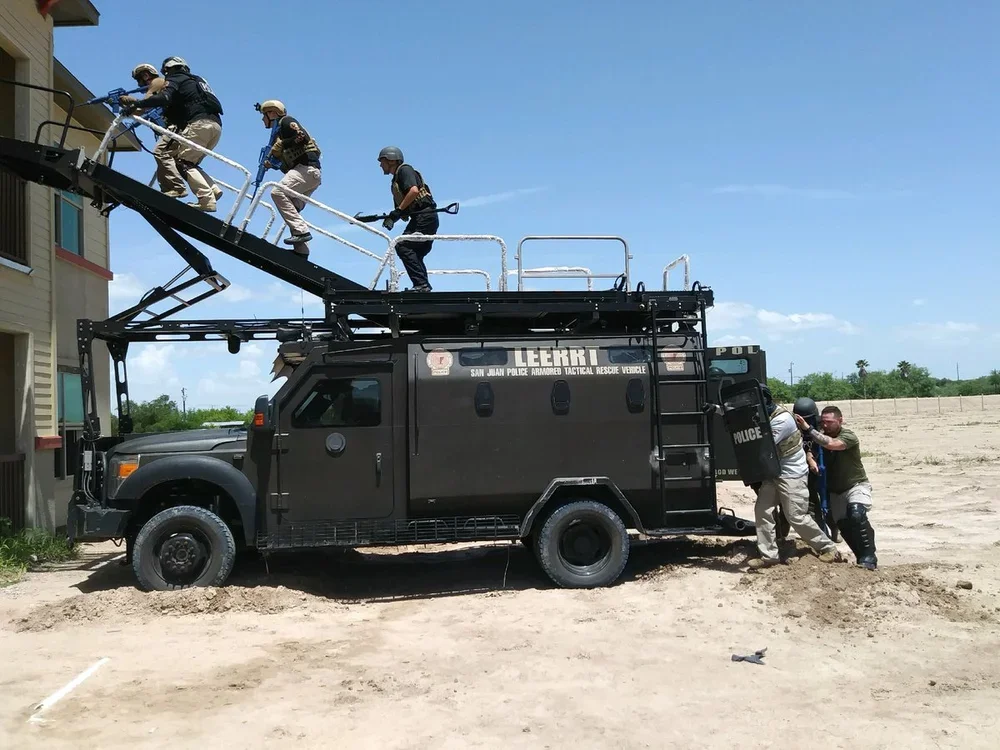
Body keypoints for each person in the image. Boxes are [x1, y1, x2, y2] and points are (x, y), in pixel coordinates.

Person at [747, 386, 843, 570]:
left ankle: (827, 547)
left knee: (796, 516)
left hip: (791, 474)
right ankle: (769, 556)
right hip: (774, 472)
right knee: (762, 511)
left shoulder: (782, 420)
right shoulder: (764, 415)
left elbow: (763, 445)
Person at [121, 56, 224, 212]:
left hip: (198, 124)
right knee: (187, 162)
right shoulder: (196, 80)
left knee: (182, 162)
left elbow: (163, 97)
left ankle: (206, 199)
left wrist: (135, 103)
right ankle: (212, 189)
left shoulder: (175, 79)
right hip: (215, 126)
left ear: (170, 69)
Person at [795, 405, 878, 570]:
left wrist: (808, 429)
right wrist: (811, 460)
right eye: (823, 422)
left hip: (855, 485)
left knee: (856, 514)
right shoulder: (820, 437)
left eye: (830, 422)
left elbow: (832, 444)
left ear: (840, 420)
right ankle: (861, 557)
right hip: (835, 491)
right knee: (845, 526)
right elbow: (811, 450)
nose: (826, 425)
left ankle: (869, 557)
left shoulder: (848, 436)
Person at [259, 100, 322, 257]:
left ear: (272, 113)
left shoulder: (286, 122)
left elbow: (303, 136)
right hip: (308, 174)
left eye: (264, 115)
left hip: (306, 169)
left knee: (277, 193)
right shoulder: (279, 133)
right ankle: (302, 251)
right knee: (291, 209)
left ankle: (301, 232)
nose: (262, 119)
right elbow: (285, 157)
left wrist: (282, 145)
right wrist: (270, 162)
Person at [377, 146, 437, 292]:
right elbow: (403, 210)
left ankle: (422, 285)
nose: (380, 165)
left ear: (391, 160)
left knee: (403, 245)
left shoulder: (404, 170)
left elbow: (414, 191)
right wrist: (392, 217)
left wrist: (397, 211)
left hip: (424, 216)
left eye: (382, 161)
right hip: (420, 218)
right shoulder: (396, 179)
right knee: (413, 252)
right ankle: (422, 285)